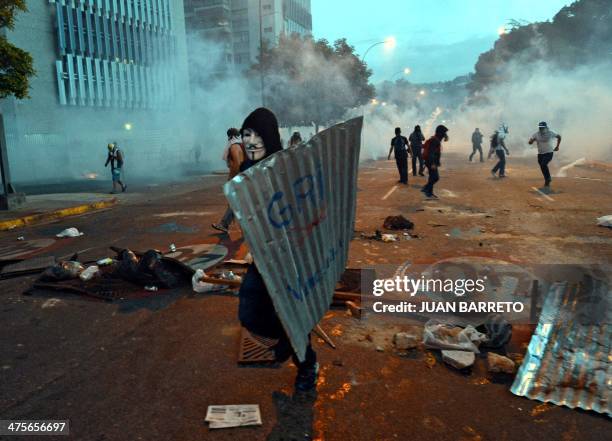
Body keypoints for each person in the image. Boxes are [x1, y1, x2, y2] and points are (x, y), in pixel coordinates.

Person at [237, 108, 319, 392]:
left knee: (293, 313)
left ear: (270, 136)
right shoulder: (245, 172)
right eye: (246, 133)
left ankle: (307, 364)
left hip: (291, 255)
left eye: (258, 133)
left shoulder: (285, 166)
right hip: (262, 255)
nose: (251, 140)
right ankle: (285, 340)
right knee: (249, 310)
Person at [212, 128, 245, 233]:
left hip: (237, 178)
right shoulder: (240, 145)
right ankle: (225, 224)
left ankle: (225, 224)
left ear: (230, 137)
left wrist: (231, 178)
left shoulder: (234, 147)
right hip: (242, 177)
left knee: (234, 202)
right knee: (237, 203)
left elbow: (236, 164)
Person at [529, 121, 561, 188]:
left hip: (549, 153)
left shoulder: (550, 133)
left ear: (546, 127)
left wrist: (557, 146)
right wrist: (531, 141)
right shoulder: (536, 134)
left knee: (543, 164)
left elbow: (559, 137)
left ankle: (548, 179)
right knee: (542, 166)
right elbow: (530, 142)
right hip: (540, 154)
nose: (541, 129)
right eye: (540, 128)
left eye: (542, 128)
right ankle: (547, 179)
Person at [421, 125, 449, 198]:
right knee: (435, 177)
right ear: (440, 133)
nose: (445, 135)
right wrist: (433, 163)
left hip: (430, 161)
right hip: (431, 162)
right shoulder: (435, 140)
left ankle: (429, 192)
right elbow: (431, 153)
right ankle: (426, 188)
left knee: (432, 177)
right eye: (444, 133)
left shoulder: (436, 139)